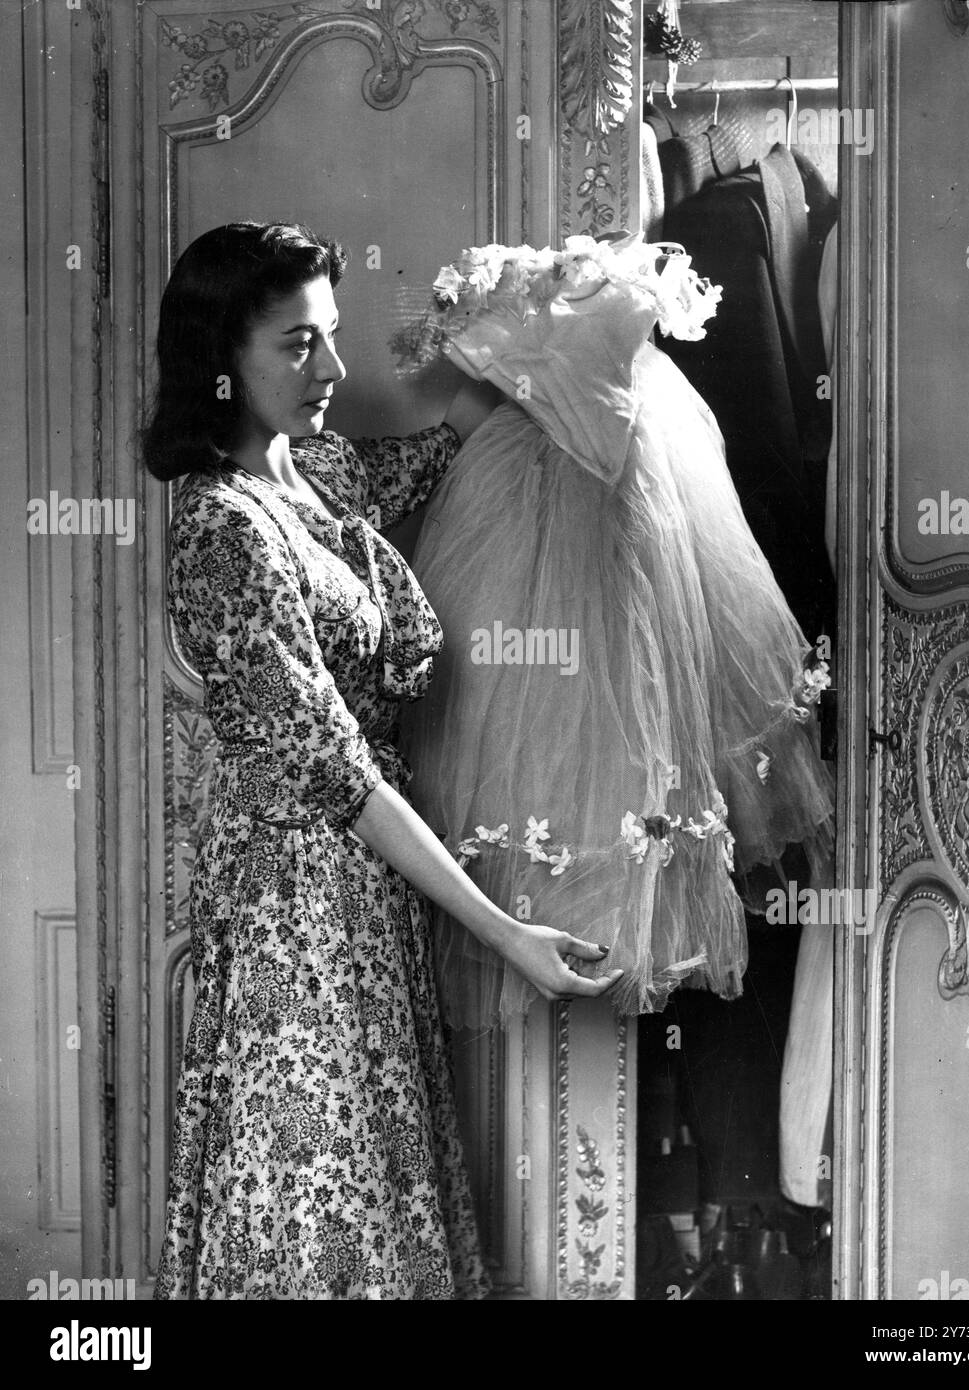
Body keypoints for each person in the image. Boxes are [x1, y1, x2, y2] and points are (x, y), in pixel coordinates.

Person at [143, 221, 623, 1301]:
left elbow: (463, 433)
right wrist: (506, 934)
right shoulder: (222, 532)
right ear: (220, 363)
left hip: (367, 904)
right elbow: (342, 778)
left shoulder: (317, 470)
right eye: (295, 345)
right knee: (315, 1201)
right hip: (294, 917)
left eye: (332, 337)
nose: (332, 370)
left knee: (378, 1196)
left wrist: (528, 309)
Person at [398, 233, 836, 1030]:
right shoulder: (529, 335)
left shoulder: (625, 314)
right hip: (538, 522)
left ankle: (613, 916)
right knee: (561, 720)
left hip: (635, 516)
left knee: (626, 706)